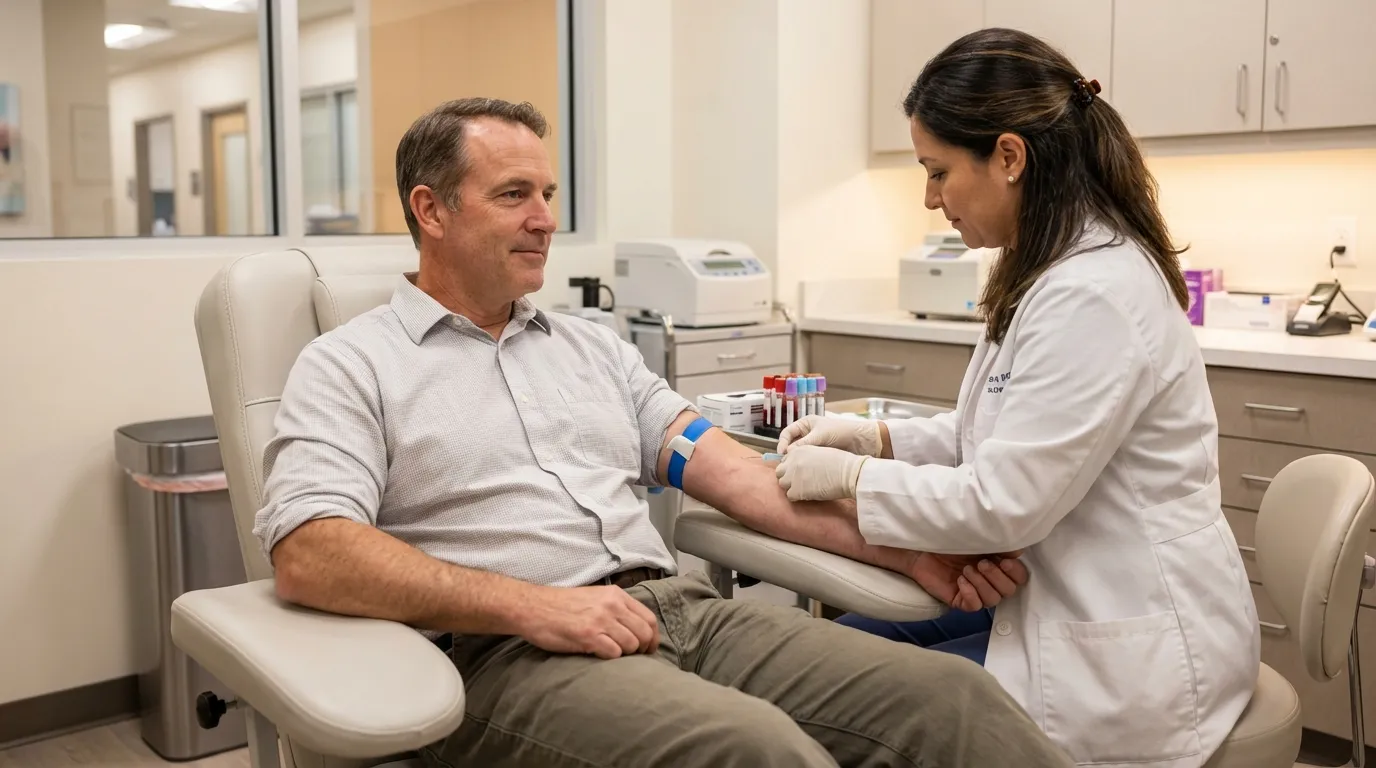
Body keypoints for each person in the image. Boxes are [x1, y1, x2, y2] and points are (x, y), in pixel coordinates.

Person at [256, 96, 1074, 768]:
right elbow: (310, 550)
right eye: (514, 196)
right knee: (757, 754)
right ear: (430, 210)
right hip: (510, 655)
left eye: (547, 195)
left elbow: (746, 482)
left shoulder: (590, 349)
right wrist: (532, 607)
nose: (544, 219)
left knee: (950, 701)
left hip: (679, 610)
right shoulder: (351, 366)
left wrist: (907, 552)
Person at [772, 28, 1259, 768]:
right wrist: (879, 440)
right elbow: (992, 438)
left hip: (1125, 649)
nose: (930, 198)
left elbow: (1003, 502)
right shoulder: (1049, 269)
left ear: (1008, 156)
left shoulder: (1092, 292)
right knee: (833, 654)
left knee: (837, 700)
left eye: (937, 171)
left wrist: (852, 481)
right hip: (1051, 597)